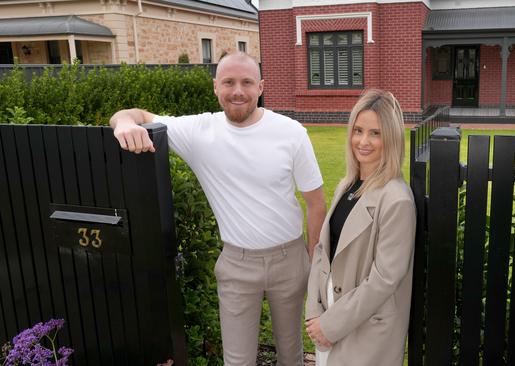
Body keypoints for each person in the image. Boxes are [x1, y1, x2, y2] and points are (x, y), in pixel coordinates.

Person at [109, 52, 327, 366]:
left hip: (289, 259)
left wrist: (312, 262)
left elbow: (316, 202)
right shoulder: (199, 132)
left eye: (247, 82)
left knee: (291, 356)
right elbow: (135, 113)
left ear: (260, 86)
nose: (238, 90)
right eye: (229, 82)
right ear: (216, 87)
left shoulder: (290, 132)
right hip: (237, 265)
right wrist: (125, 123)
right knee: (237, 361)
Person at [305, 89, 416, 365]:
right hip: (327, 319)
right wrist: (314, 311)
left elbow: (384, 279)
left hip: (364, 331)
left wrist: (331, 325)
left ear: (391, 138)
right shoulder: (348, 185)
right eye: (358, 130)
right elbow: (322, 249)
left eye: (375, 133)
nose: (363, 141)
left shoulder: (397, 199)